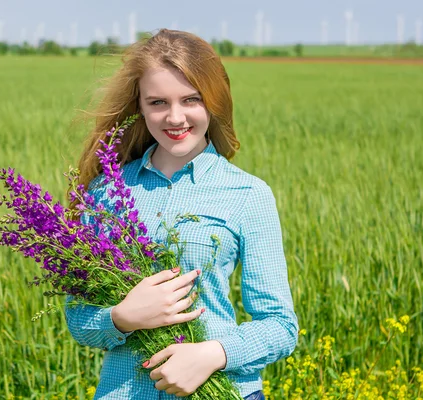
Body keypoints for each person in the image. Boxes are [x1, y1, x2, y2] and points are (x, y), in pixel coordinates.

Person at [65, 28, 298, 399]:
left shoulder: (248, 195)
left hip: (227, 390)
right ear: (139, 106)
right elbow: (77, 318)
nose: (175, 118)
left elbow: (281, 326)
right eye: (158, 102)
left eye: (191, 99)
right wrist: (123, 318)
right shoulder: (105, 191)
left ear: (214, 101)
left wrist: (212, 354)